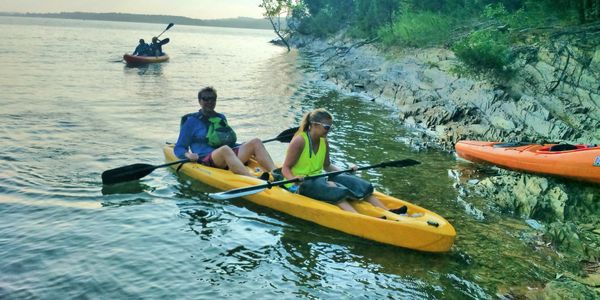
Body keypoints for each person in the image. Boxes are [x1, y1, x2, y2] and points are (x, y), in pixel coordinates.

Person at [281, 108, 407, 214]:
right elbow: (285, 168)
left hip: (319, 177)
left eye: (330, 127)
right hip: (300, 183)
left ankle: (388, 211)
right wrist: (294, 182)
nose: (329, 130)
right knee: (334, 189)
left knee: (357, 183)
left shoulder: (324, 141)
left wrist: (346, 172)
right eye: (326, 127)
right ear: (314, 125)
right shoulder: (299, 141)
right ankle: (357, 217)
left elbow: (327, 166)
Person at [174, 87, 277, 178]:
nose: (209, 101)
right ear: (200, 101)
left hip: (228, 155)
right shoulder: (191, 121)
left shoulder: (220, 117)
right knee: (225, 149)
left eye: (212, 99)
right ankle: (253, 179)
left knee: (256, 142)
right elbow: (179, 147)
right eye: (206, 99)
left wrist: (244, 146)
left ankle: (276, 173)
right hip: (206, 159)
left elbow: (228, 142)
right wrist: (188, 155)